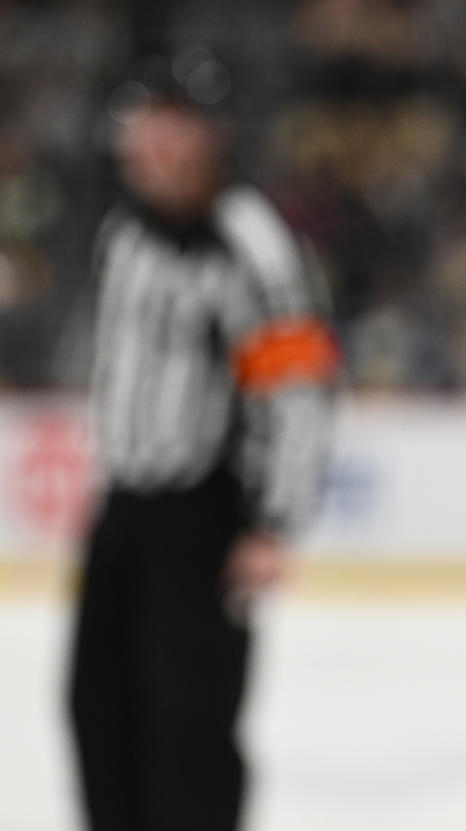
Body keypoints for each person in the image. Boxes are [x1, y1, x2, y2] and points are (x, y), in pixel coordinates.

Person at [67, 48, 337, 831]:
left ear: (210, 136)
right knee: (97, 707)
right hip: (124, 506)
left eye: (171, 127)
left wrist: (271, 522)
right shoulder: (123, 233)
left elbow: (298, 393)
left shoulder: (249, 244)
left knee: (188, 728)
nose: (151, 145)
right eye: (140, 125)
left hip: (205, 515)